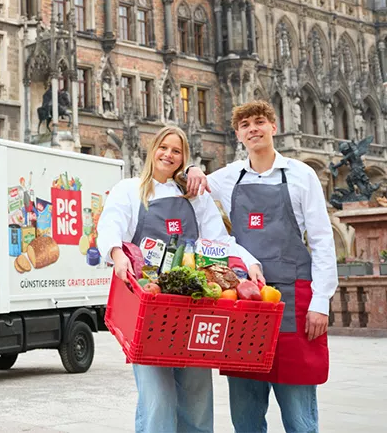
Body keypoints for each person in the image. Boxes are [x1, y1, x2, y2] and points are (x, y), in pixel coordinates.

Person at [97, 126, 264, 433]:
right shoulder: (131, 190)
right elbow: (110, 227)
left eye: (176, 151)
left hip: (194, 305)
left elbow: (220, 240)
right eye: (164, 148)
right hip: (150, 306)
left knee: (197, 398)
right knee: (157, 399)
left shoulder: (193, 196)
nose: (168, 155)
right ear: (152, 151)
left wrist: (250, 263)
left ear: (183, 158)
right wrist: (116, 253)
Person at [185, 100, 337, 433]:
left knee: (298, 411)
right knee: (246, 408)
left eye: (259, 122)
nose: (253, 129)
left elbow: (324, 241)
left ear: (273, 126)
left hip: (294, 300)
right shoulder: (229, 176)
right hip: (245, 302)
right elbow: (195, 187)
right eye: (245, 125)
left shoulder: (301, 174)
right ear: (238, 134)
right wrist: (193, 169)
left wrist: (321, 302)